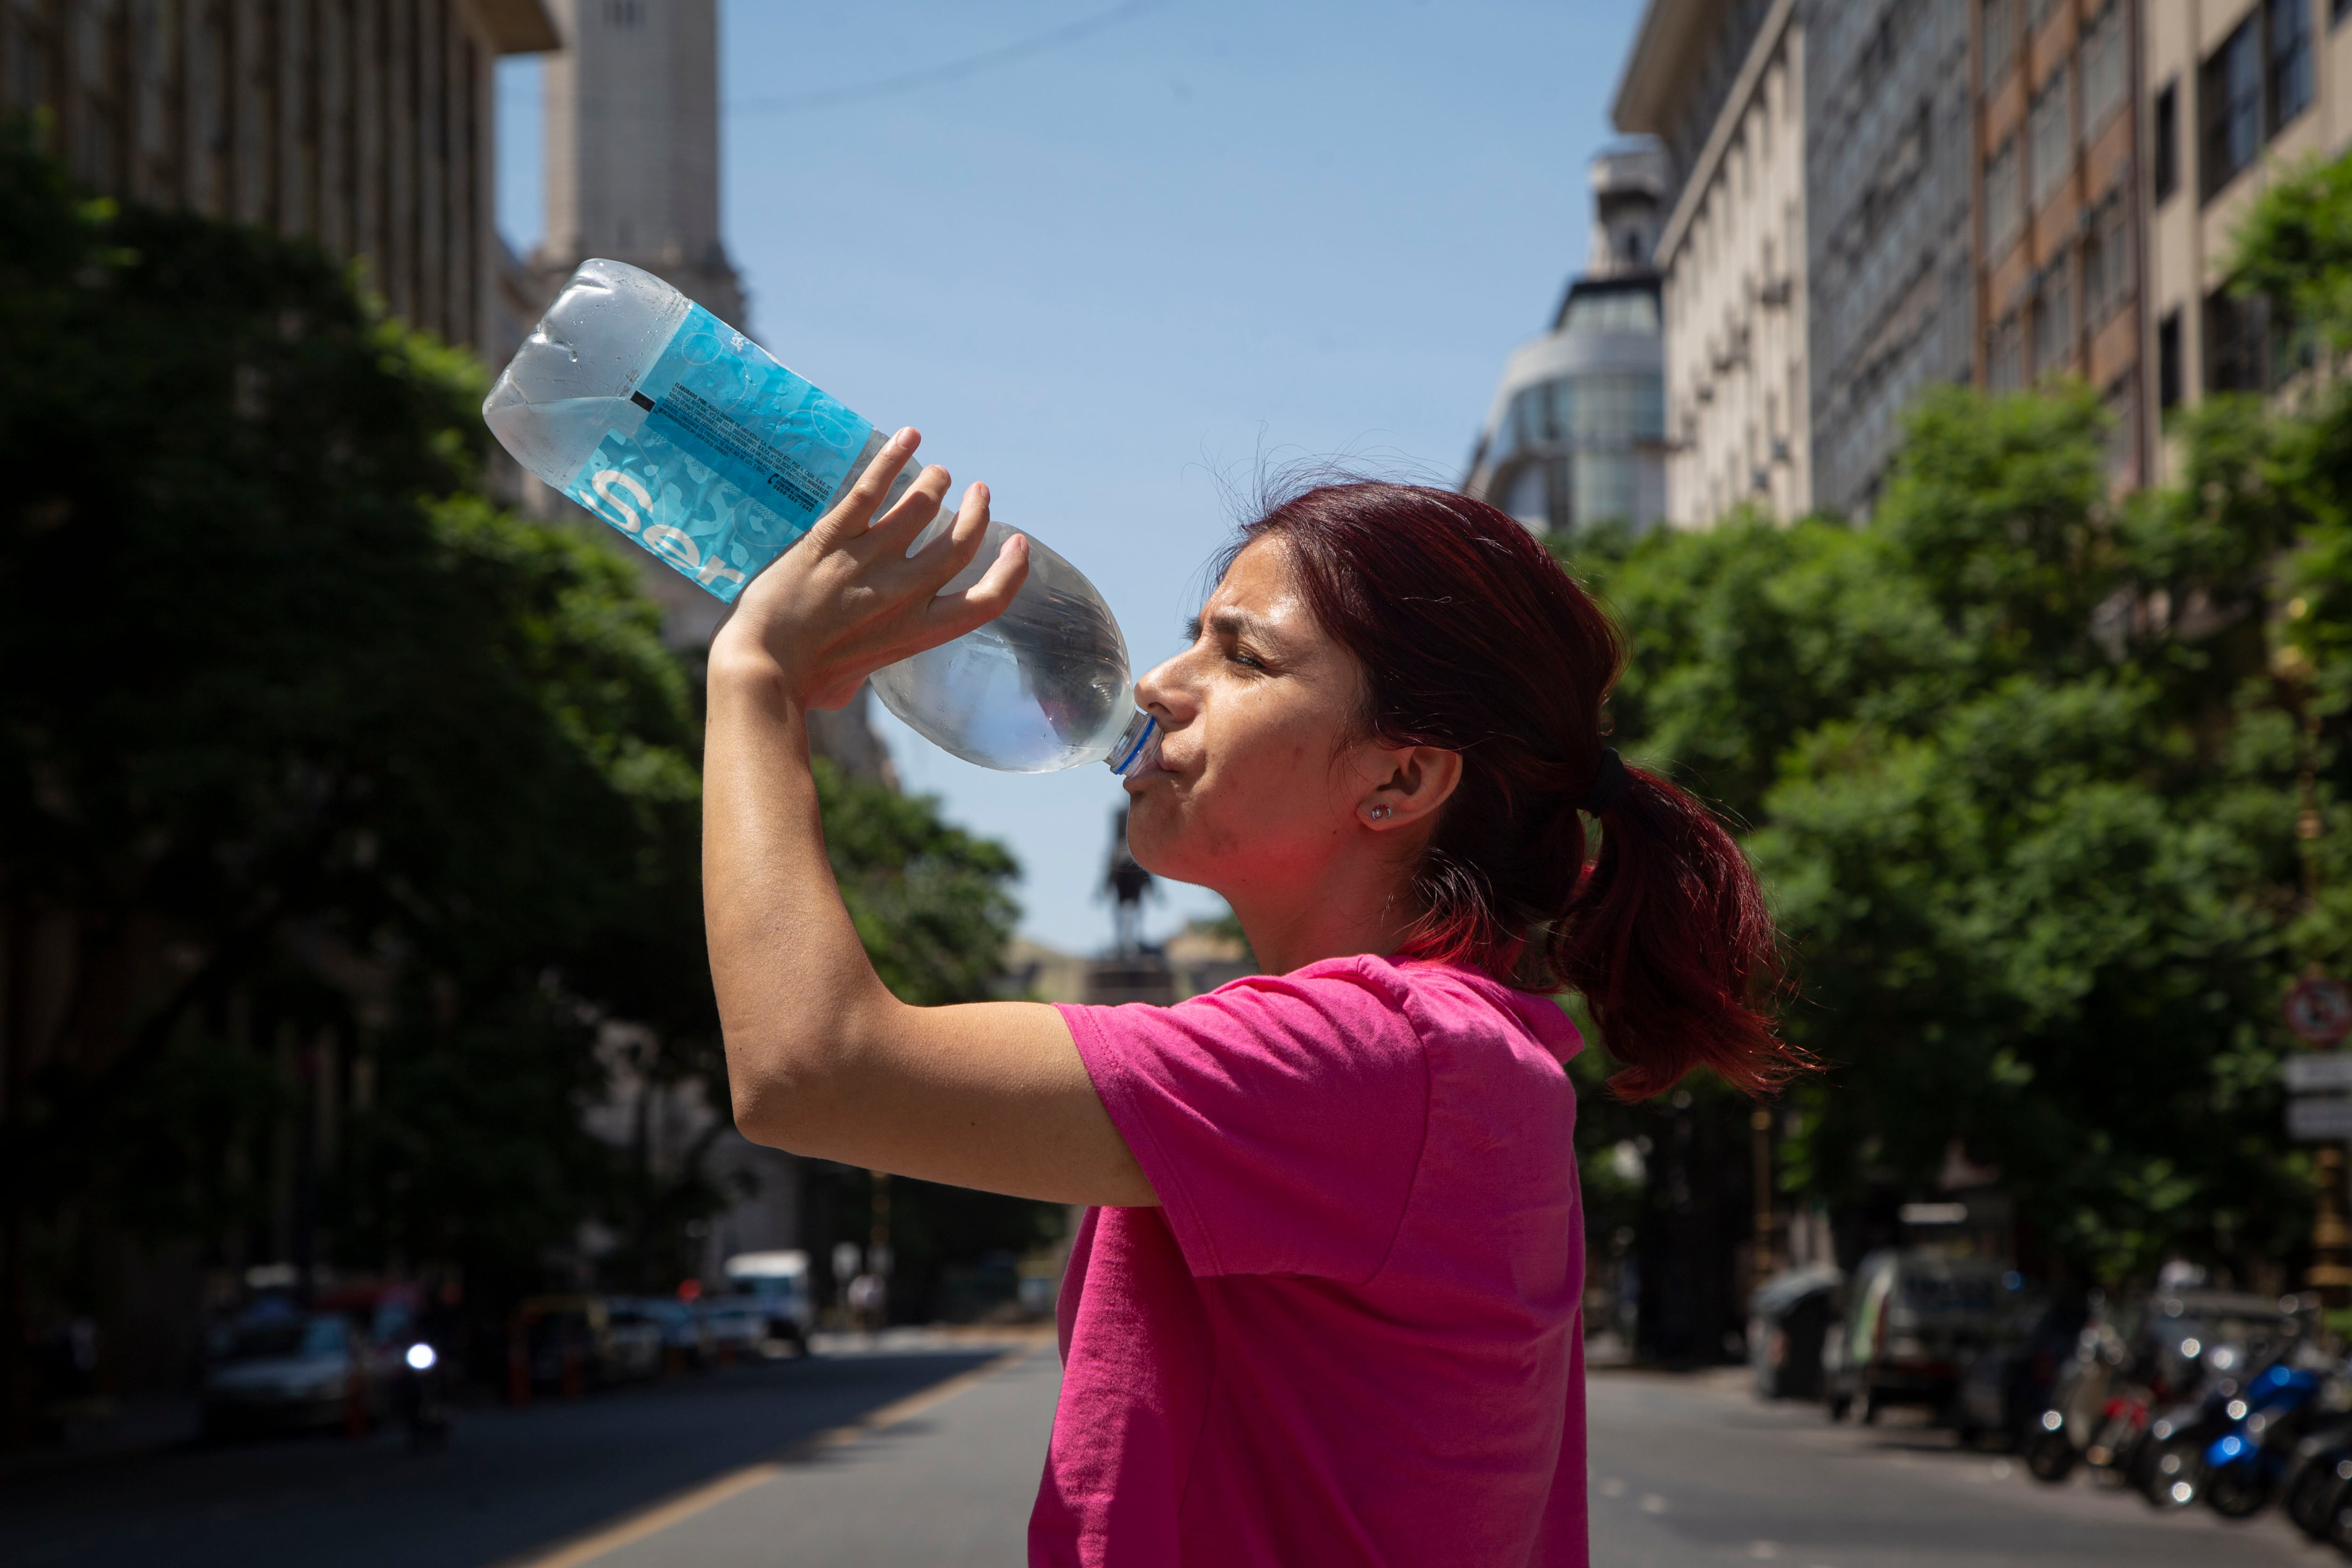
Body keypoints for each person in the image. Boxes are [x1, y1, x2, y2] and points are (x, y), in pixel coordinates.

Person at [702, 430, 1801, 1567]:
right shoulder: (1440, 1048)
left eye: (1242, 657)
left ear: (1401, 776)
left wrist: (756, 681)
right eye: (1195, 636)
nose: (1156, 684)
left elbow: (812, 1068)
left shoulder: (1377, 1057)